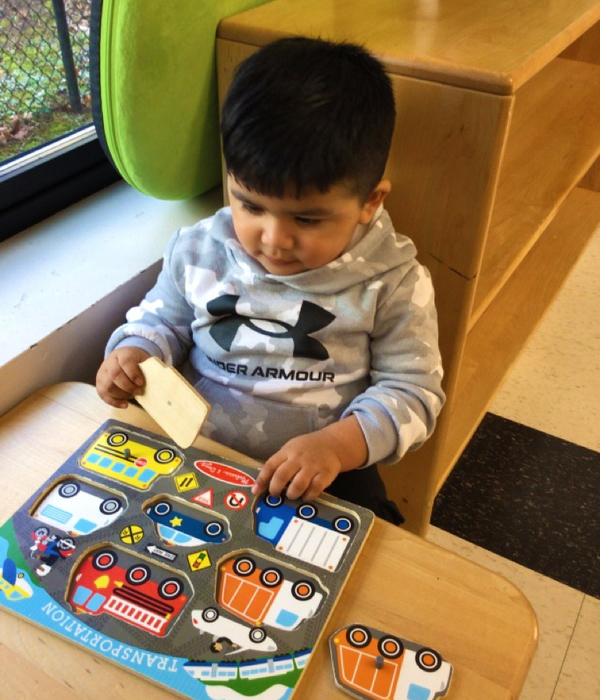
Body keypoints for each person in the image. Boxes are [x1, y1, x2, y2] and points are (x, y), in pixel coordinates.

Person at [96, 37, 445, 524]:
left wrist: (336, 447)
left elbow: (413, 393)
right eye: (251, 205)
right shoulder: (198, 251)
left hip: (329, 473)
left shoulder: (394, 284)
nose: (274, 240)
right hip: (198, 453)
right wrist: (134, 353)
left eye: (306, 219)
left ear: (371, 201)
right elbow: (162, 320)